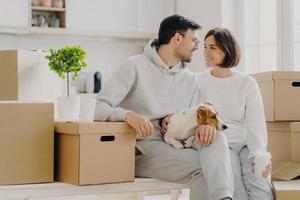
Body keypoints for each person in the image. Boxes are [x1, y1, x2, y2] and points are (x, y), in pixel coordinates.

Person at [95, 15, 234, 200]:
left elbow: (192, 120)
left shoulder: (189, 80)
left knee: (218, 139)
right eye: (193, 40)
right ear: (177, 38)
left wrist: (205, 126)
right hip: (141, 148)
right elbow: (98, 108)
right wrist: (129, 115)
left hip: (178, 144)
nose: (196, 46)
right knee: (206, 167)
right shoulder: (134, 66)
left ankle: (225, 198)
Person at [196, 27, 274, 199]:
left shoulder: (247, 83)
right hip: (220, 146)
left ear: (227, 49)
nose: (206, 52)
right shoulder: (198, 81)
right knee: (235, 188)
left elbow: (256, 124)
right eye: (205, 47)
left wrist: (260, 156)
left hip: (246, 146)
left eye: (213, 48)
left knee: (261, 186)